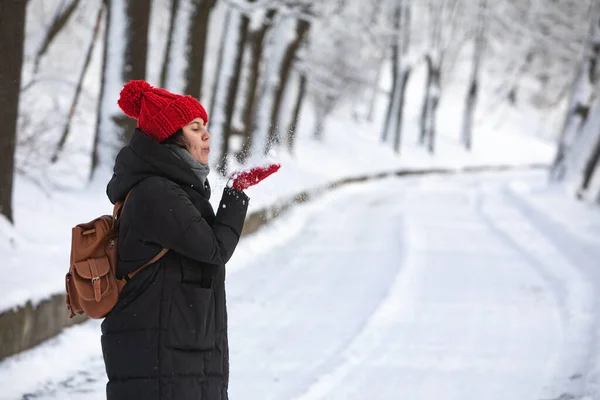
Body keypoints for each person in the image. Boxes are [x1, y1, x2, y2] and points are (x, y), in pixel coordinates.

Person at [101, 80, 279, 400]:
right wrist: (235, 193)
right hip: (159, 362)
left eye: (205, 126)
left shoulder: (174, 190)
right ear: (170, 137)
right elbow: (214, 249)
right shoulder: (157, 193)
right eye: (195, 127)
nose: (206, 134)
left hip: (174, 356)